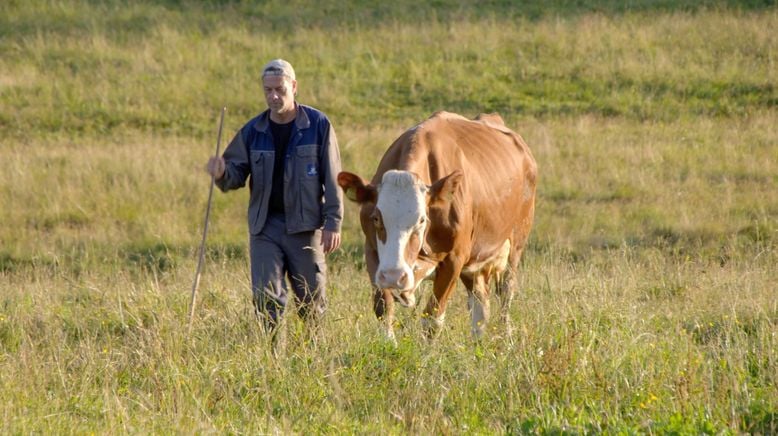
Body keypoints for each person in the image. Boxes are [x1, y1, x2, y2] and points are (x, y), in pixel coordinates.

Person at [206, 59, 343, 341]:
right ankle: (273, 361)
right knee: (265, 298)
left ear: (294, 87)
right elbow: (234, 176)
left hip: (306, 226)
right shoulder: (253, 131)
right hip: (265, 227)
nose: (273, 96)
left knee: (312, 301)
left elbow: (333, 178)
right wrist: (221, 172)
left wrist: (333, 222)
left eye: (279, 89)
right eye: (268, 90)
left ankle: (311, 362)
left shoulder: (318, 125)